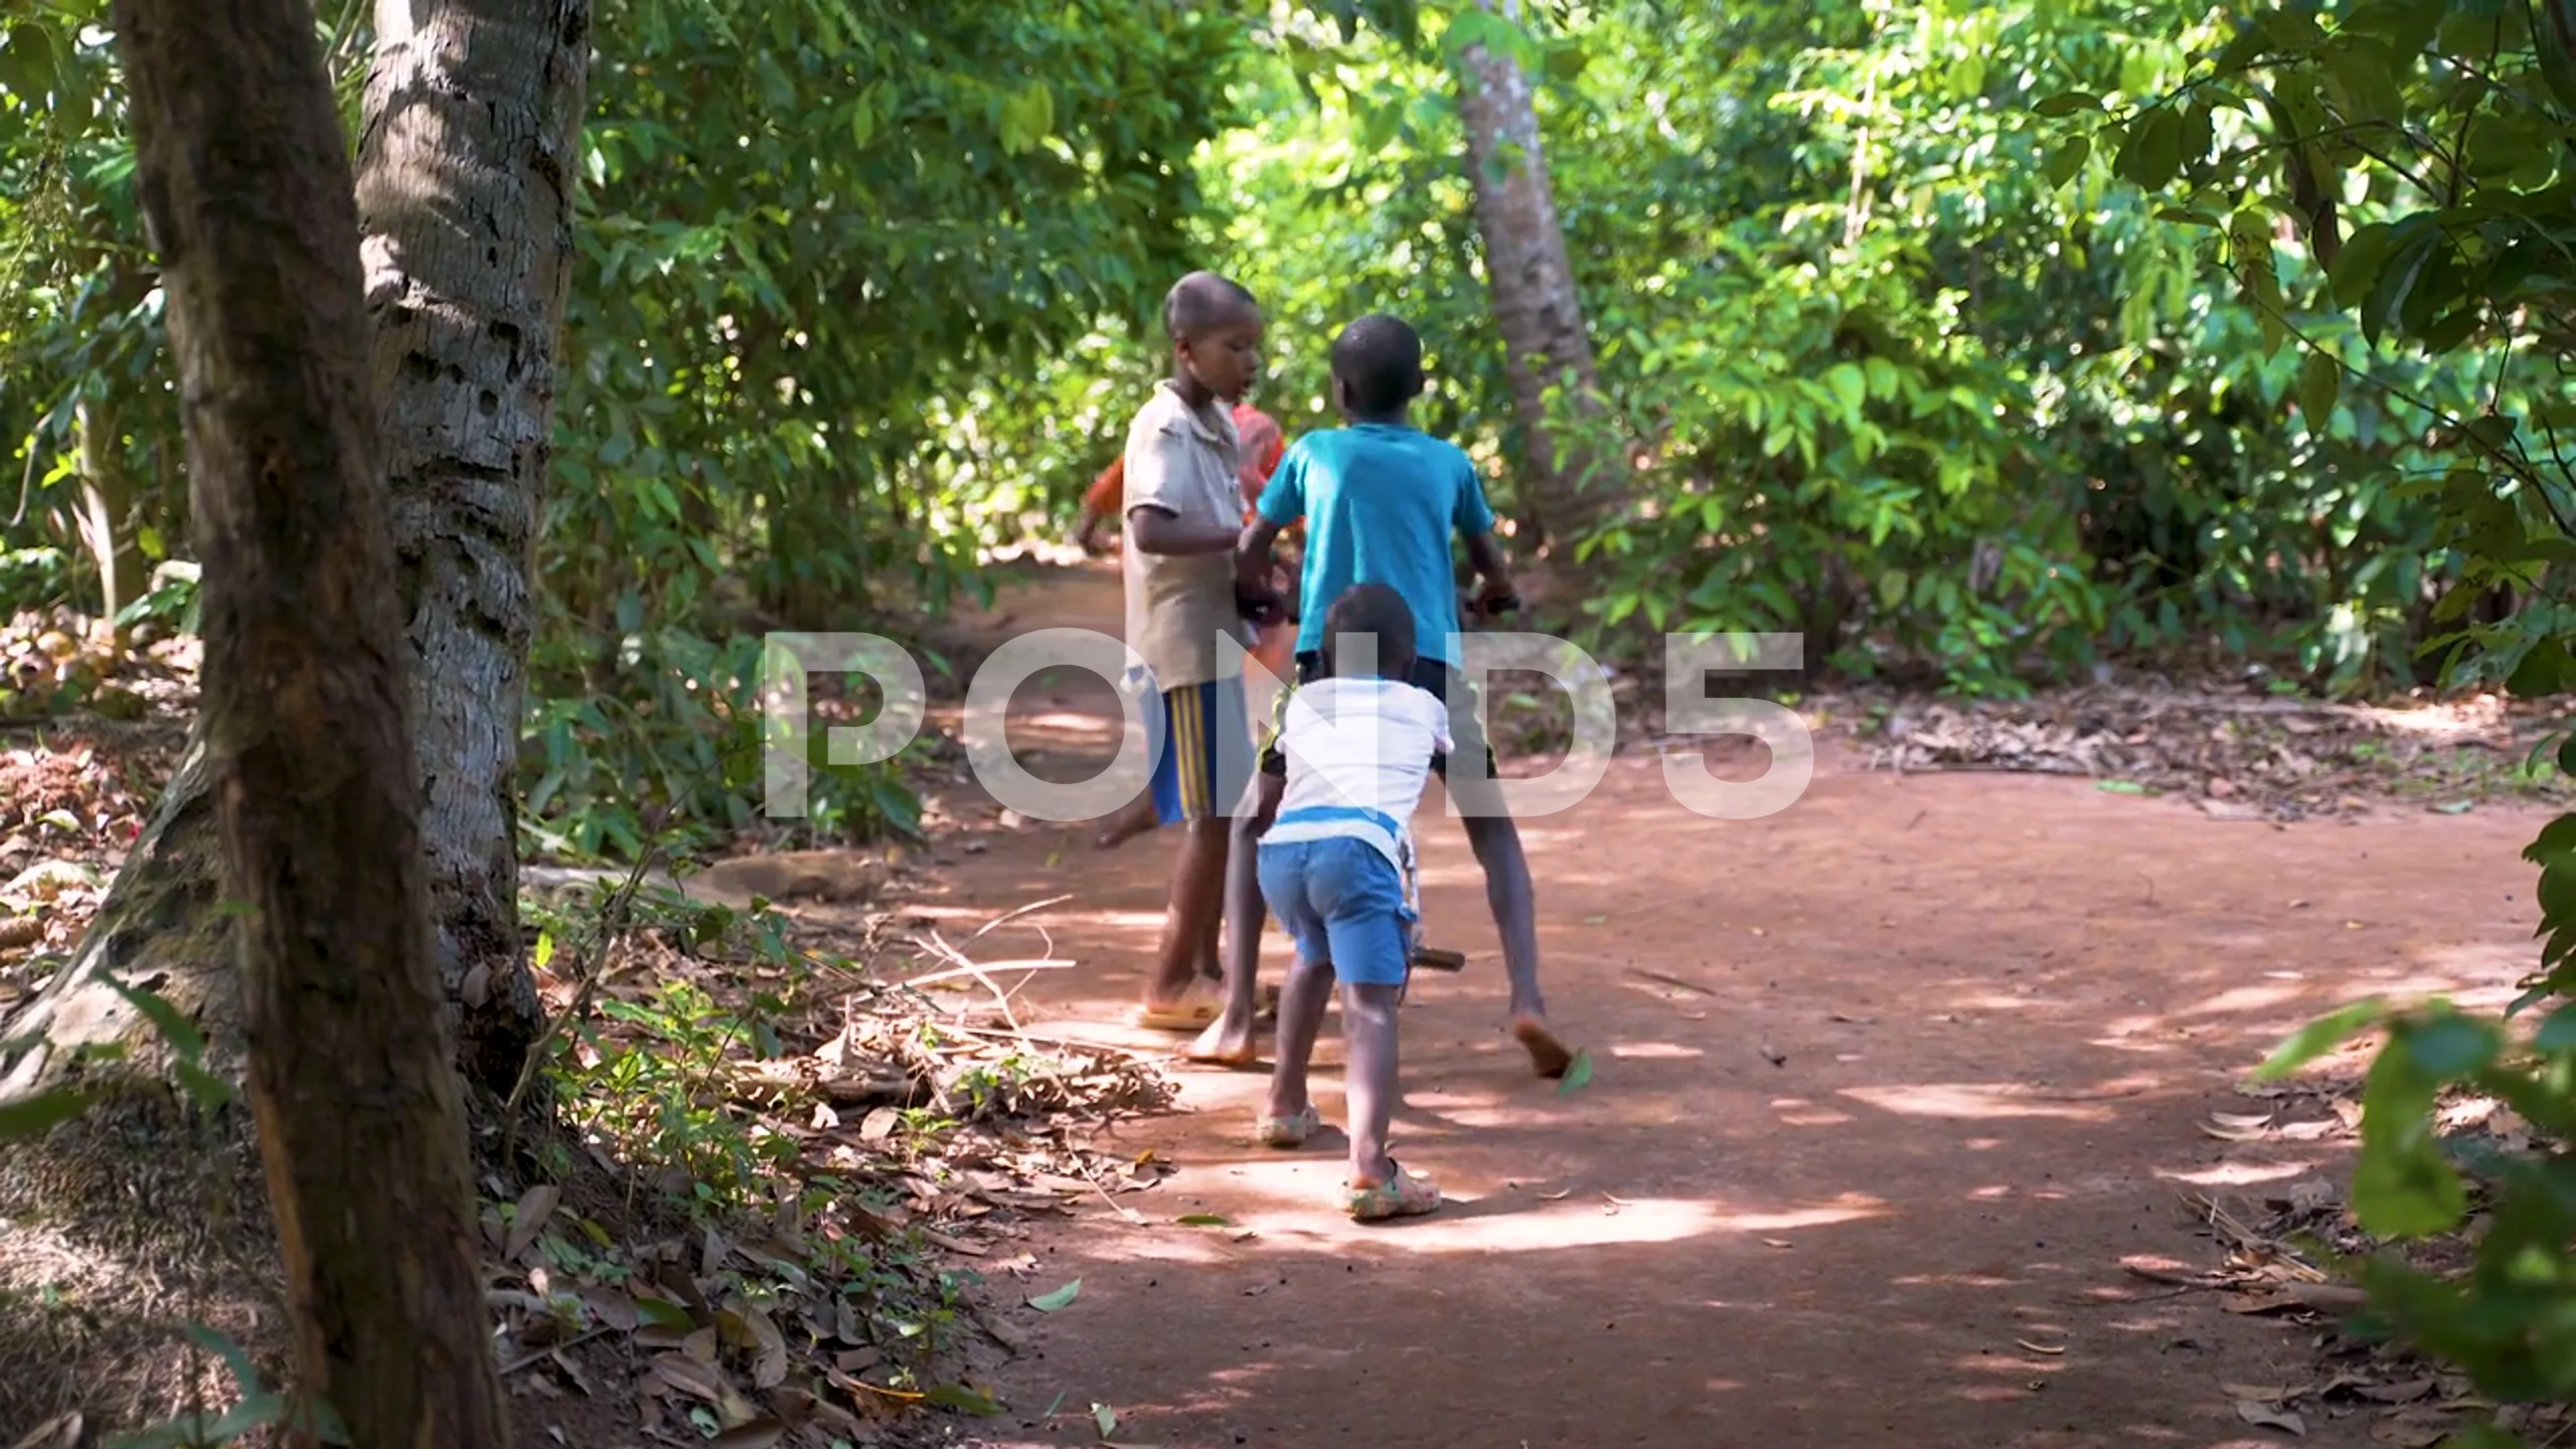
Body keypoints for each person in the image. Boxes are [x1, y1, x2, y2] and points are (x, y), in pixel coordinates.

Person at [1192, 313, 1574, 1078]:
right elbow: (1490, 563)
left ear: (1339, 391)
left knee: (1250, 822)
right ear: (1422, 387)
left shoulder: (1313, 453)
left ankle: (1237, 1017)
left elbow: (1252, 543)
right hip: (1427, 665)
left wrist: (1259, 597)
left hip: (1327, 669)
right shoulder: (1449, 463)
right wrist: (1497, 594)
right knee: (1492, 831)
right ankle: (1528, 996)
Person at [1253, 580, 1448, 1220]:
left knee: (1312, 955)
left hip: (1284, 853)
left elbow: (1269, 788)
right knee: (1369, 1007)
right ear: (1409, 661)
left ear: (1327, 659)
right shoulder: (1423, 704)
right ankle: (1370, 1169)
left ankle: (1284, 1104)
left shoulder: (1302, 703)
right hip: (1358, 852)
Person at [1119, 270, 1268, 1032]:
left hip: (1212, 639)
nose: (1250, 363)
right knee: (1215, 816)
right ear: (1186, 348)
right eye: (1234, 347)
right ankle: (1170, 980)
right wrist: (1247, 540)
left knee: (1229, 807)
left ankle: (1208, 972)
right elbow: (1153, 527)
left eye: (1255, 348)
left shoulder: (1212, 421)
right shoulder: (1168, 424)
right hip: (1181, 647)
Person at [1079, 398, 1299, 851]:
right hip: (1230, 569)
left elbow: (1116, 484)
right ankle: (1192, 793)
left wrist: (1089, 528)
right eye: (1237, 349)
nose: (1248, 361)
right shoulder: (1186, 425)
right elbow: (1279, 494)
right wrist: (1292, 542)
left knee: (1209, 697)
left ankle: (1181, 791)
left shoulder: (1177, 426)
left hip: (1218, 574)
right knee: (1243, 684)